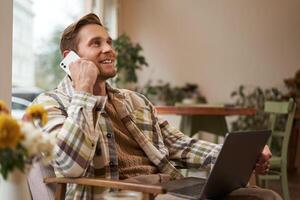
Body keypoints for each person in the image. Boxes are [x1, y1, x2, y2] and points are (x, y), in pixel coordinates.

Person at [32, 13, 281, 200]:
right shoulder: (48, 104)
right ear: (70, 59)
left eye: (109, 41)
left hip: (168, 185)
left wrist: (240, 155)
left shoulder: (135, 101)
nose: (109, 49)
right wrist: (83, 92)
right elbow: (70, 166)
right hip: (122, 193)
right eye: (96, 44)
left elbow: (179, 144)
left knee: (265, 197)